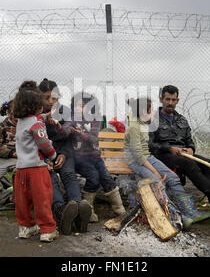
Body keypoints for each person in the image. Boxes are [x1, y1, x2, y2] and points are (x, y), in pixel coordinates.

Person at [149, 85, 210, 228]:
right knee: (189, 165)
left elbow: (189, 140)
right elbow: (150, 145)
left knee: (209, 164)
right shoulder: (153, 119)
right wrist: (169, 148)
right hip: (164, 157)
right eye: (167, 99)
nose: (170, 103)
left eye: (173, 99)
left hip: (184, 155)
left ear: (178, 100)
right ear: (161, 100)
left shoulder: (182, 120)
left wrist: (190, 149)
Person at [124, 97, 210, 229]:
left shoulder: (143, 124)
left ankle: (190, 211)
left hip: (147, 158)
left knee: (173, 178)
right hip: (137, 162)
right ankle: (175, 216)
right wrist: (154, 172)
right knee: (158, 184)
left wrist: (155, 167)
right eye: (151, 110)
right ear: (143, 111)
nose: (153, 112)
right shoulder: (134, 128)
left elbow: (146, 152)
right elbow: (139, 156)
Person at [38, 78, 91, 235]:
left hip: (63, 153)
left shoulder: (66, 112)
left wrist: (64, 154)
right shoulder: (36, 114)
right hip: (43, 156)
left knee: (69, 174)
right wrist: (46, 159)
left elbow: (70, 136)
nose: (50, 101)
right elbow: (34, 141)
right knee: (50, 178)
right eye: (45, 97)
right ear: (39, 97)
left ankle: (78, 209)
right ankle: (61, 211)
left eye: (53, 97)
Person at [66, 92, 126, 222]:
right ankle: (88, 211)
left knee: (106, 178)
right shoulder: (71, 120)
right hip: (80, 160)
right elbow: (64, 130)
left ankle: (119, 210)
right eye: (76, 106)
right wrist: (65, 129)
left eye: (82, 106)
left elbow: (93, 138)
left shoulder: (95, 119)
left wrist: (82, 135)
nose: (78, 109)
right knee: (93, 177)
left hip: (95, 157)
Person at [13, 87, 59, 242]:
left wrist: (45, 117)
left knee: (23, 201)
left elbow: (38, 119)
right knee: (42, 200)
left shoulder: (20, 122)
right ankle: (47, 229)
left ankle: (26, 228)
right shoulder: (36, 124)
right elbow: (44, 144)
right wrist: (53, 155)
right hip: (37, 170)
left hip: (21, 170)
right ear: (35, 106)